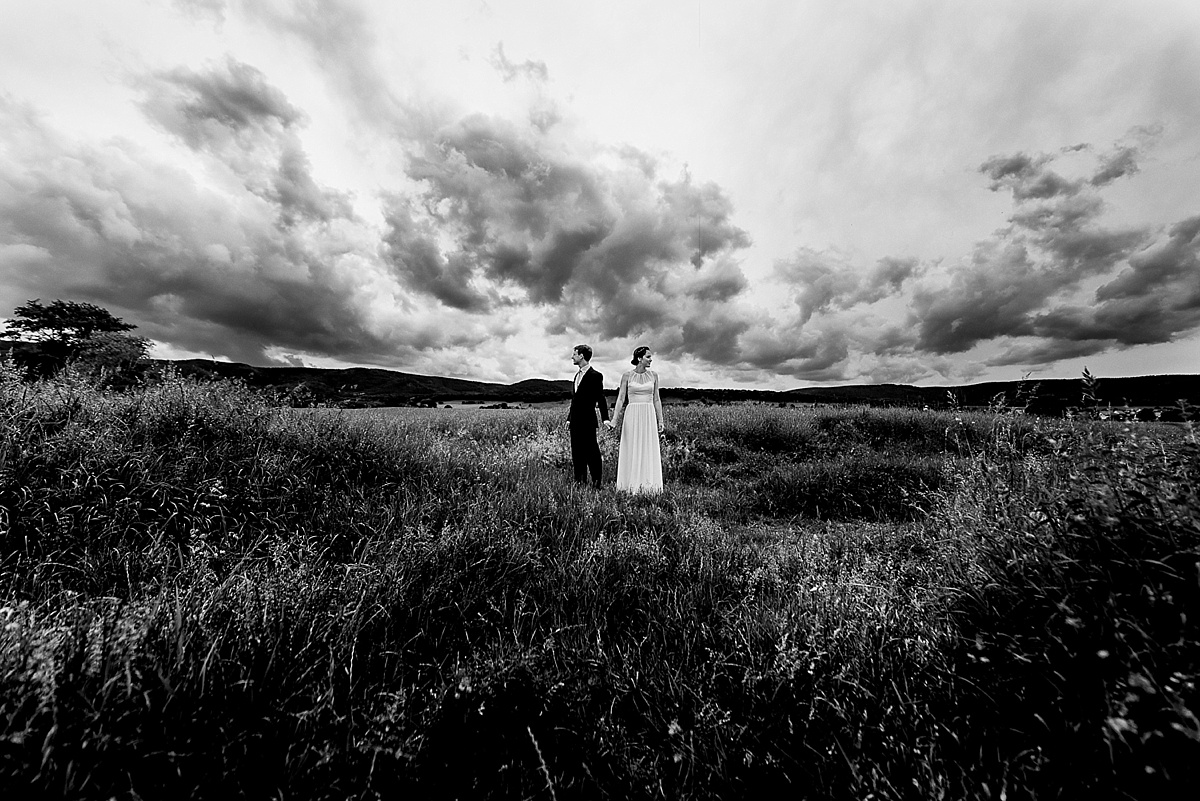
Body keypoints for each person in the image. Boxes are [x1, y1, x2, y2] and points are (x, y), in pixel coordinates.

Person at [605, 345, 663, 494]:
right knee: (632, 446)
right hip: (632, 414)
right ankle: (629, 485)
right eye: (648, 357)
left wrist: (660, 420)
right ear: (639, 358)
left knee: (648, 447)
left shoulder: (654, 375)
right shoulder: (627, 376)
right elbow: (620, 399)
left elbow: (657, 399)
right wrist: (614, 420)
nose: (651, 359)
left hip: (648, 414)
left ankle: (649, 485)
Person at [568, 344, 610, 487]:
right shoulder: (577, 375)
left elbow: (600, 398)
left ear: (581, 356)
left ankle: (597, 482)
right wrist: (569, 419)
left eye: (574, 354)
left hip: (587, 421)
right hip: (575, 422)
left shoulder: (595, 376)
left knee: (592, 452)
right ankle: (580, 482)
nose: (572, 357)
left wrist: (605, 419)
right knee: (577, 452)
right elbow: (575, 401)